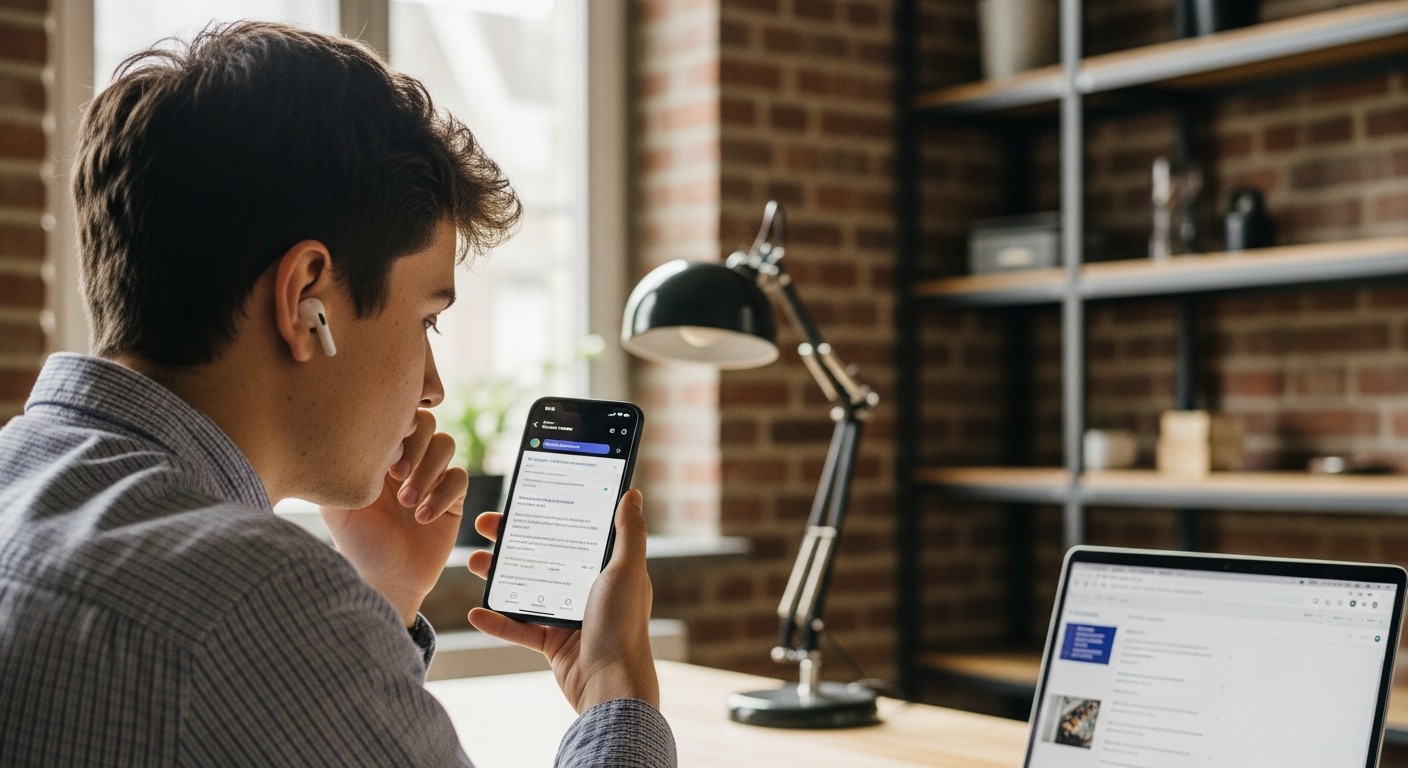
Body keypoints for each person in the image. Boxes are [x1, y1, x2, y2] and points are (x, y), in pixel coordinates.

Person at [0, 21, 675, 768]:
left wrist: (383, 592)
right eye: (428, 320)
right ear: (305, 300)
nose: (433, 387)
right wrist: (617, 688)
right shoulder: (256, 601)